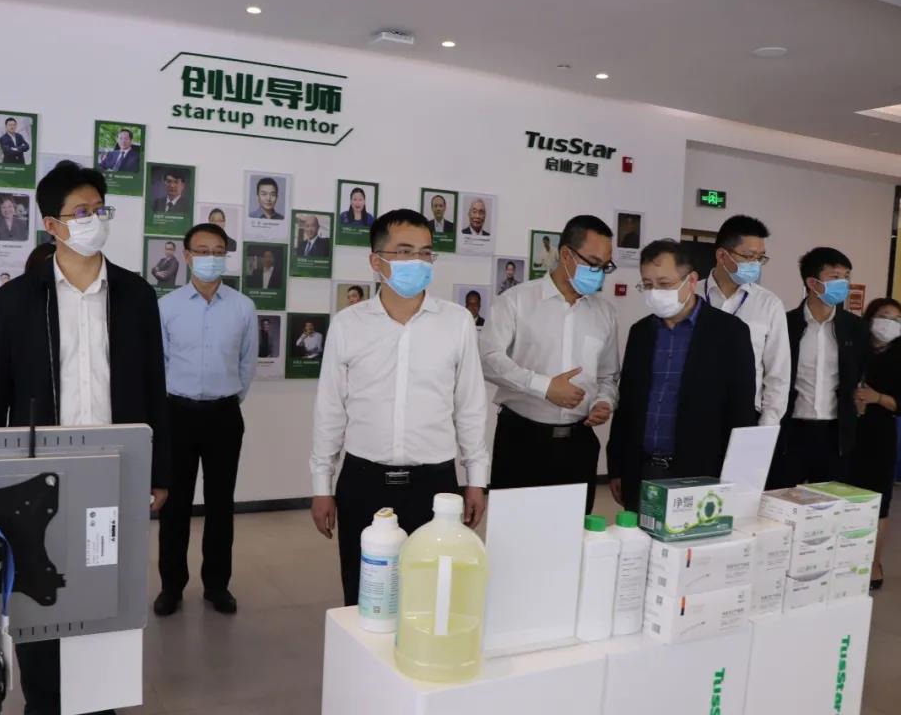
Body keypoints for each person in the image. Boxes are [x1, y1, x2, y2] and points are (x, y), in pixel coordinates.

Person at [0, 160, 170, 715]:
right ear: (52, 225)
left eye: (99, 209)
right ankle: (44, 703)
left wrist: (159, 471)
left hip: (114, 474)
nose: (93, 220)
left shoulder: (136, 295)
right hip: (35, 476)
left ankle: (99, 702)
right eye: (80, 211)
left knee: (106, 595)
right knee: (39, 596)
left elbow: (155, 388)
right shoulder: (17, 299)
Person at [310, 208, 489, 606]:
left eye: (426, 253)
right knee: (364, 595)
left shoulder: (457, 322)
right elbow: (330, 410)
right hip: (363, 481)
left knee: (430, 596)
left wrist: (476, 479)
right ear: (376, 261)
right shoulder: (348, 324)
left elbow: (470, 406)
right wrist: (321, 486)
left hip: (435, 484)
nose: (418, 262)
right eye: (405, 252)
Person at [480, 215, 619, 513]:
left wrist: (604, 401)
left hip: (578, 443)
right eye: (594, 263)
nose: (599, 274)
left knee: (572, 531)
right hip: (522, 439)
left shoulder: (604, 313)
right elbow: (488, 359)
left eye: (605, 266)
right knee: (514, 529)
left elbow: (608, 376)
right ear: (566, 255)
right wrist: (544, 387)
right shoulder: (516, 301)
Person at [606, 239, 757, 512]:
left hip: (700, 471)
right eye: (647, 284)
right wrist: (616, 466)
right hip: (642, 469)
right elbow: (626, 404)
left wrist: (736, 475)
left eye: (664, 284)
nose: (655, 292)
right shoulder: (641, 332)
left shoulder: (730, 332)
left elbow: (741, 410)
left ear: (691, 281)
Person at [155, 222, 257, 618]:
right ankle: (171, 586)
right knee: (174, 506)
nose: (211, 258)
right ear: (186, 256)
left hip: (223, 415)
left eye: (218, 251)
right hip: (176, 415)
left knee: (220, 504)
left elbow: (247, 363)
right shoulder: (167, 307)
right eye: (202, 251)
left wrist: (226, 397)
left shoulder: (242, 307)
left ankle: (217, 585)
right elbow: (161, 363)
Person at [768, 248, 870, 489]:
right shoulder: (786, 324)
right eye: (835, 277)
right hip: (791, 429)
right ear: (812, 283)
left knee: (829, 502)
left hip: (835, 432)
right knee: (780, 497)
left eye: (846, 277)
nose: (843, 283)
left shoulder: (855, 327)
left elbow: (861, 370)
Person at [702, 215, 790, 426]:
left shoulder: (769, 304)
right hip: (695, 410)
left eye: (760, 258)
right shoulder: (692, 295)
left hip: (746, 414)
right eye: (749, 256)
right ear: (722, 255)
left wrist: (768, 422)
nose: (755, 264)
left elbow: (778, 372)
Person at [848, 298, 901, 589]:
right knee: (846, 495)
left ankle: (874, 564)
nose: (890, 323)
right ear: (870, 318)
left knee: (878, 502)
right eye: (884, 316)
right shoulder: (855, 347)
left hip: (880, 436)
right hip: (847, 432)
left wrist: (877, 398)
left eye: (897, 319)